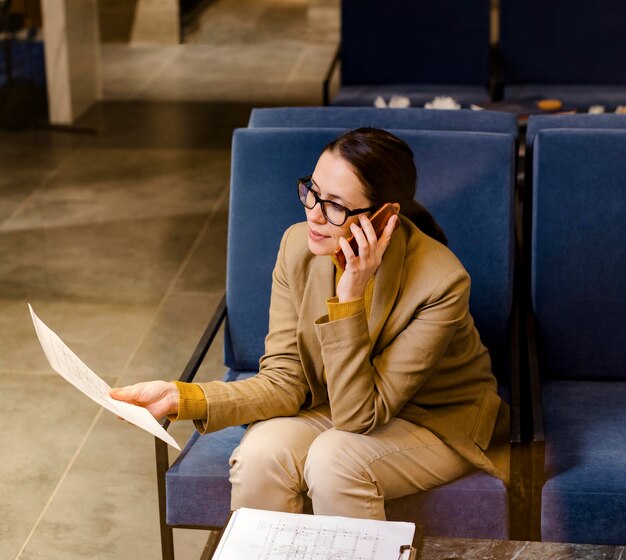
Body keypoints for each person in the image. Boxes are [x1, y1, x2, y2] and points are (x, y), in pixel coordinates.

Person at [111, 127, 508, 520]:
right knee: (258, 454)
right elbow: (285, 380)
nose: (314, 214)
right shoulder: (297, 247)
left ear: (384, 216)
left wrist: (350, 295)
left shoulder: (441, 281)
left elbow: (360, 416)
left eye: (335, 205)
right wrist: (179, 398)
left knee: (334, 462)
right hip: (336, 402)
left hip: (432, 418)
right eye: (312, 191)